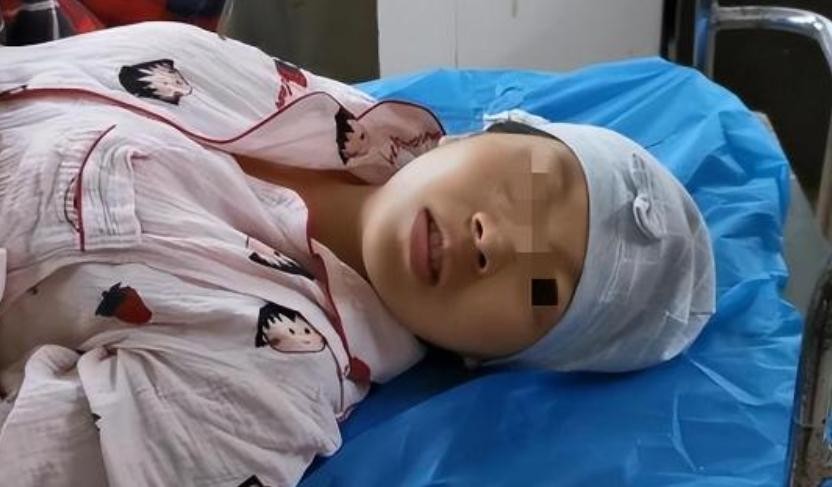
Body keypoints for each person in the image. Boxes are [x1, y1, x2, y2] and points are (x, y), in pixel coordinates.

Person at [0, 22, 715, 486]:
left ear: (490, 360)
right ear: (481, 135)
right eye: (534, 188)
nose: (496, 240)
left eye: (543, 290)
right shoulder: (296, 99)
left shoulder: (267, 387)